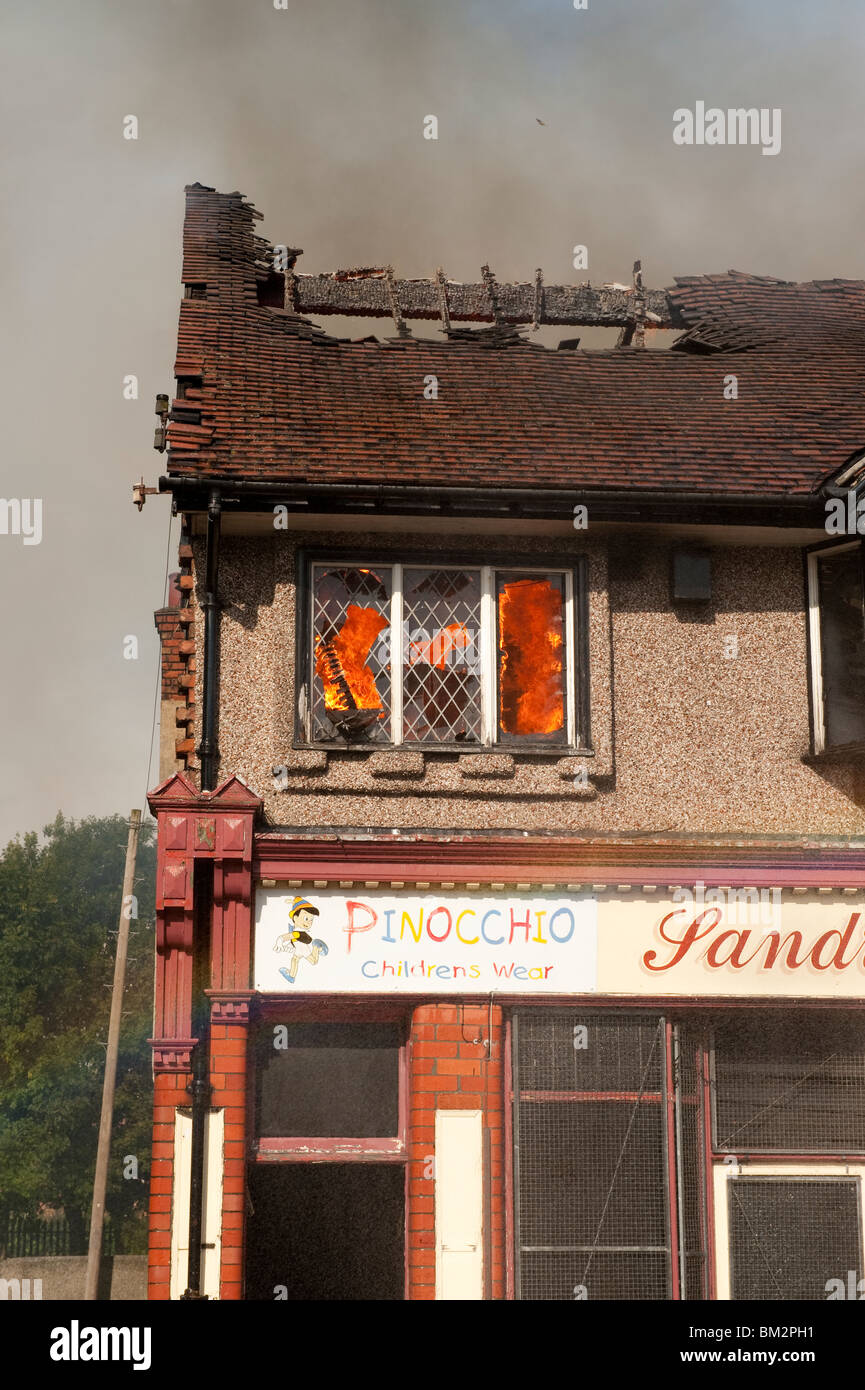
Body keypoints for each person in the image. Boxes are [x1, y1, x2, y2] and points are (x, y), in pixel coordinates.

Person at [274, 896, 329, 983]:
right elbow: (286, 938)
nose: (309, 922)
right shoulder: (296, 932)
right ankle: (291, 976)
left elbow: (285, 937)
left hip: (303, 949)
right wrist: (280, 942)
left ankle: (316, 947)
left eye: (311, 920)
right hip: (298, 949)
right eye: (306, 918)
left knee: (313, 961)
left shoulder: (297, 933)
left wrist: (280, 942)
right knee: (294, 960)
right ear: (295, 918)